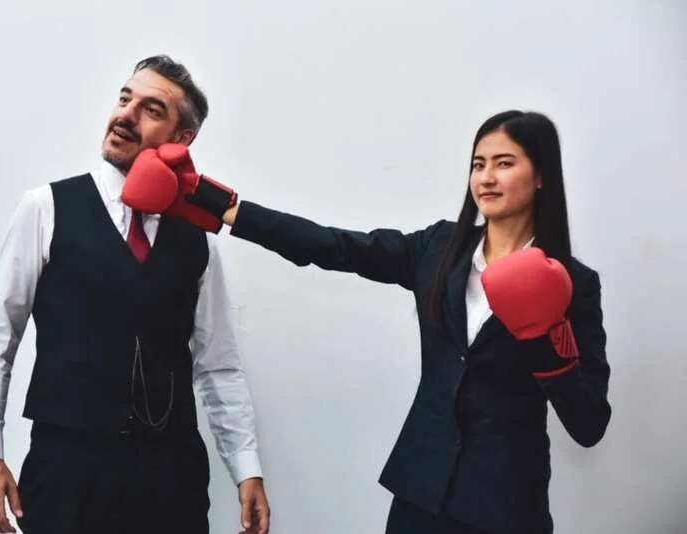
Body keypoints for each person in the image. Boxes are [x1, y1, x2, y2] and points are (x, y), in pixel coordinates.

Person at [122, 110, 611, 533]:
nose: (485, 178)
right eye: (478, 164)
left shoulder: (572, 283)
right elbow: (333, 246)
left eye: (504, 164)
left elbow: (589, 424)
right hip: (420, 493)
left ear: (541, 175)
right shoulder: (439, 249)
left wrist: (549, 343)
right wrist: (218, 205)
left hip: (506, 505)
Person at [0, 55, 270, 534]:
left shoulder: (198, 238)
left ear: (181, 139)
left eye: (151, 109)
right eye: (125, 98)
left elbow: (218, 365)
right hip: (67, 473)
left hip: (171, 481)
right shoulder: (45, 208)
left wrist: (246, 467)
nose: (125, 114)